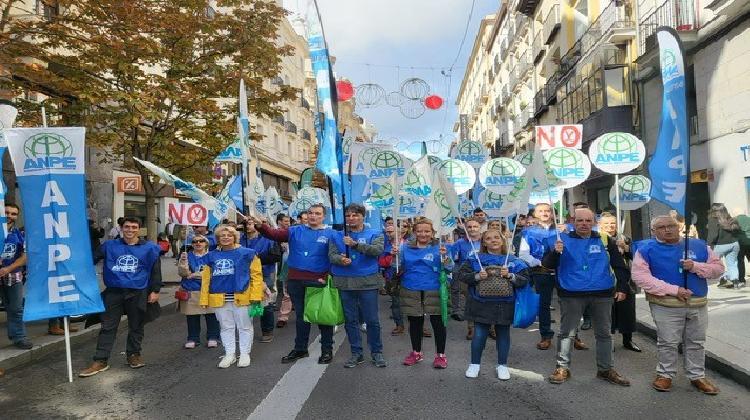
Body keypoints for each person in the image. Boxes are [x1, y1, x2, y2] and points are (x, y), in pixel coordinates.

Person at [631, 215, 724, 395]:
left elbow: (718, 269)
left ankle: (697, 375)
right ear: (653, 231)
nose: (667, 229)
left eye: (671, 226)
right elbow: (641, 277)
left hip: (697, 303)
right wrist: (674, 290)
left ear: (678, 226)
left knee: (696, 341)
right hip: (666, 304)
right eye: (662, 227)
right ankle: (665, 374)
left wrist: (696, 266)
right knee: (668, 342)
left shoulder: (697, 245)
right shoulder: (645, 249)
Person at [543, 208, 631, 386]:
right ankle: (562, 368)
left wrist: (622, 287)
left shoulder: (605, 240)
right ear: (573, 222)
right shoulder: (560, 240)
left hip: (602, 293)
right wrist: (555, 252)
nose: (584, 224)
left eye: (588, 221)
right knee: (567, 333)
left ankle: (606, 369)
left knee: (604, 333)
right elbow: (547, 265)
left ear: (594, 222)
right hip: (571, 293)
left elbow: (619, 265)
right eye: (580, 220)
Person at [251, 204, 336, 364]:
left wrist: (327, 276)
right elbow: (273, 234)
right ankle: (300, 349)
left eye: (317, 214)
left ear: (323, 216)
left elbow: (337, 255)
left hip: (319, 280)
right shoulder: (295, 230)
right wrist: (260, 226)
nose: (313, 216)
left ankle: (326, 350)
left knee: (323, 317)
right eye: (310, 213)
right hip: (296, 280)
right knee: (301, 316)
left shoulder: (331, 233)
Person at [79, 217, 162, 377]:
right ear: (121, 228)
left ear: (139, 229)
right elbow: (91, 259)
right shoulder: (110, 246)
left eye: (134, 227)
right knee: (107, 326)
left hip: (138, 292)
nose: (130, 230)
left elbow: (155, 270)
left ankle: (133, 355)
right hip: (114, 292)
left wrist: (155, 290)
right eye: (127, 227)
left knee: (136, 325)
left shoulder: (150, 248)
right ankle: (100, 360)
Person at [456, 229, 530, 380]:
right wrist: (477, 276)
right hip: (480, 303)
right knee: (479, 335)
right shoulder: (474, 259)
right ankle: (474, 364)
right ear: (483, 242)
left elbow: (525, 280)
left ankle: (502, 365)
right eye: (488, 238)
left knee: (503, 335)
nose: (493, 240)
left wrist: (510, 275)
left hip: (505, 304)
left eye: (497, 237)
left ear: (503, 240)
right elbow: (461, 275)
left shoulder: (513, 260)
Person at [329, 203, 387, 368]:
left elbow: (377, 251)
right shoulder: (336, 235)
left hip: (367, 282)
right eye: (348, 215)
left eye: (355, 215)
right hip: (345, 282)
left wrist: (355, 245)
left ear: (363, 216)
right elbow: (331, 255)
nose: (351, 218)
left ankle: (377, 352)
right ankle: (356, 352)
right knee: (350, 320)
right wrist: (341, 260)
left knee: (372, 320)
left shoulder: (375, 233)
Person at [390, 218, 453, 369]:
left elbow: (450, 267)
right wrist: (395, 256)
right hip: (411, 288)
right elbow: (396, 268)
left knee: (438, 323)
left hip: (434, 288)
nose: (423, 234)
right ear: (414, 232)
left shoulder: (441, 247)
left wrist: (445, 258)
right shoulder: (404, 247)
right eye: (419, 231)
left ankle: (440, 355)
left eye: (427, 231)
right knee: (415, 323)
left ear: (432, 233)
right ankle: (416, 352)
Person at [199, 225, 265, 368]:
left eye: (229, 235)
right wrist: (204, 299)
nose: (226, 238)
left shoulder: (248, 253)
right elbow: (206, 279)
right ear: (217, 239)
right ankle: (229, 354)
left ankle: (245, 353)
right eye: (222, 236)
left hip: (242, 296)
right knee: (225, 327)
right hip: (219, 298)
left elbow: (256, 276)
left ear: (235, 237)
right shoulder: (210, 256)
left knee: (245, 326)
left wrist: (256, 296)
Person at [518, 203, 560, 350]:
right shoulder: (528, 232)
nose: (545, 213)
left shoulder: (563, 230)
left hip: (564, 272)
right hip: (541, 271)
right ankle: (546, 335)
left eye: (548, 210)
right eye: (541, 211)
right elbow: (523, 254)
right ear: (535, 214)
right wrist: (539, 263)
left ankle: (574, 336)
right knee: (544, 305)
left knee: (570, 304)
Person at [598, 213, 640, 352]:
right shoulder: (597, 239)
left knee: (627, 312)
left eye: (612, 224)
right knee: (608, 313)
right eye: (606, 224)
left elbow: (637, 256)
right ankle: (608, 341)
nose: (610, 227)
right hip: (605, 279)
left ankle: (628, 340)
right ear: (600, 225)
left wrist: (626, 248)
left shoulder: (625, 238)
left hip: (625, 280)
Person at [240, 221, 282, 343]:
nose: (248, 226)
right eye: (246, 224)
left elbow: (275, 256)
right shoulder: (239, 239)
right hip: (244, 274)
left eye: (251, 223)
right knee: (246, 301)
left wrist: (256, 258)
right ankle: (247, 331)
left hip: (264, 273)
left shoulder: (268, 238)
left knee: (265, 302)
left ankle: (267, 330)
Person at [176, 234, 219, 349]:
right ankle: (192, 338)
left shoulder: (213, 256)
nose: (198, 243)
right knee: (192, 317)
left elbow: (214, 272)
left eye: (201, 241)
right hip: (191, 289)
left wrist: (195, 274)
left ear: (206, 243)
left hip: (209, 289)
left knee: (211, 315)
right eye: (195, 242)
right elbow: (183, 274)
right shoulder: (186, 255)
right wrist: (183, 263)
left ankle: (213, 337)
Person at [0, 203, 32, 349]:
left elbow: (25, 257)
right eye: (6, 212)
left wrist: (8, 269)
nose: (9, 216)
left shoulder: (20, 234)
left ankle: (18, 337)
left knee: (16, 308)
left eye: (13, 214)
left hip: (13, 275)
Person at [449, 218, 483, 340]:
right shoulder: (459, 243)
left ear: (480, 228)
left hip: (484, 274)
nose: (472, 229)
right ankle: (471, 328)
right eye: (469, 227)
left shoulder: (485, 241)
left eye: (475, 226)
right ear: (465, 229)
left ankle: (490, 328)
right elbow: (454, 259)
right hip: (467, 275)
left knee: (487, 301)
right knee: (470, 301)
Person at [705, 203, 741, 289]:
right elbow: (737, 231)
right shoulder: (730, 218)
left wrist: (708, 244)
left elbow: (713, 235)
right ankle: (735, 281)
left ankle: (723, 278)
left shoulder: (713, 219)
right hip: (734, 244)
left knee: (714, 264)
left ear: (713, 210)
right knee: (732, 264)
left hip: (720, 245)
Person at [379, 223, 404, 335]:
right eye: (387, 232)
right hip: (392, 277)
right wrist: (391, 257)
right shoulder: (385, 246)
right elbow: (381, 262)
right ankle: (399, 325)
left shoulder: (408, 244)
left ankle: (420, 326)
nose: (388, 234)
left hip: (408, 276)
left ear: (399, 233)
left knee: (415, 300)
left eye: (390, 232)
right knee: (396, 301)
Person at [275, 213, 293, 328]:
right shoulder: (291, 233)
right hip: (287, 266)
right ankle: (283, 317)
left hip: (304, 269)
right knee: (287, 293)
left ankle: (309, 315)